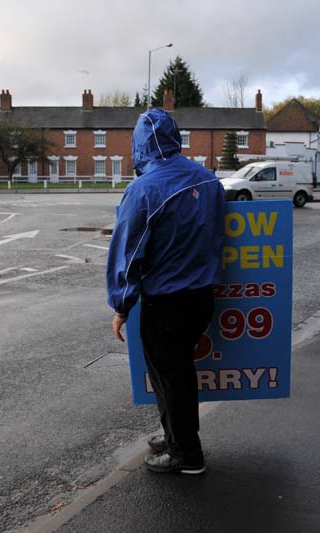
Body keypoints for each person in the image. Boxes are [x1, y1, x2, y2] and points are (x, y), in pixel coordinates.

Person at [106, 108, 225, 475]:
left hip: (166, 301)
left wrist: (121, 305)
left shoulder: (143, 190)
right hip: (202, 295)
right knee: (177, 372)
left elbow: (127, 253)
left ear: (140, 145)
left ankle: (186, 453)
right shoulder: (208, 180)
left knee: (170, 376)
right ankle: (175, 435)